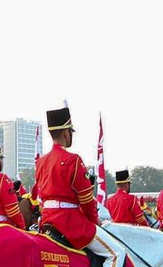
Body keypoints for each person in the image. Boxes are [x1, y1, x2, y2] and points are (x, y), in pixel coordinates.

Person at [34, 106, 118, 265]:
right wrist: (95, 221)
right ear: (66, 132)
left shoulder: (41, 162)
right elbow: (86, 201)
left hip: (47, 220)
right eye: (70, 132)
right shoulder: (73, 160)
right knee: (117, 253)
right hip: (70, 223)